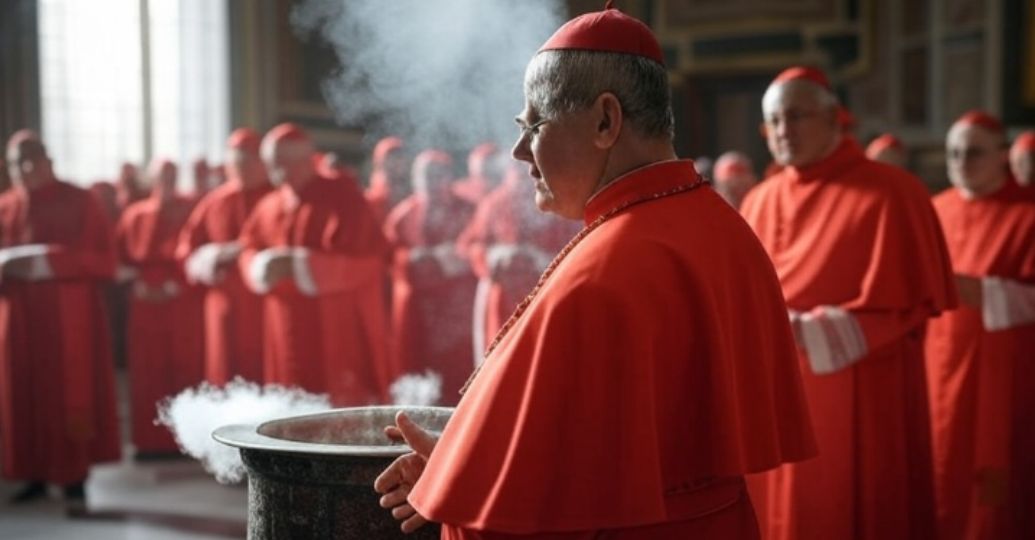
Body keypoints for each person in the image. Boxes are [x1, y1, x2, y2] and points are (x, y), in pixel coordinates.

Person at [374, 6, 816, 538]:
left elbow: (559, 503)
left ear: (606, 121)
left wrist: (462, 487)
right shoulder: (721, 228)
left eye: (534, 124)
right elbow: (585, 453)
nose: (520, 152)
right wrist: (459, 470)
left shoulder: (609, 270)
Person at [739, 66, 957, 540]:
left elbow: (907, 306)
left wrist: (808, 331)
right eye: (773, 122)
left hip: (862, 389)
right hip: (778, 385)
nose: (783, 131)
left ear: (834, 117)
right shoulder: (758, 199)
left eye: (795, 117)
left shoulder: (892, 193)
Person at [924, 111, 1035, 540]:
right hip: (937, 361)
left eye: (973, 153)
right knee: (939, 460)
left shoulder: (1027, 213)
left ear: (1003, 155)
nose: (961, 162)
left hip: (1000, 372)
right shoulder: (935, 209)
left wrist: (980, 291)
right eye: (953, 153)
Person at [0, 130, 121, 505]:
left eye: (32, 160)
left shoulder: (80, 201)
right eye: (16, 163)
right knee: (24, 391)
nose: (25, 169)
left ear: (49, 161)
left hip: (69, 317)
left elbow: (106, 261)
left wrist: (51, 260)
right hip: (18, 317)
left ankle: (73, 473)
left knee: (68, 390)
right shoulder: (4, 206)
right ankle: (33, 471)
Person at [238, 123, 392, 404]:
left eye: (287, 163)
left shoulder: (342, 196)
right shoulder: (269, 204)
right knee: (290, 397)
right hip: (282, 318)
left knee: (336, 403)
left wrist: (299, 265)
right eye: (275, 165)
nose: (281, 172)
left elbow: (368, 261)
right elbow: (248, 249)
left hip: (333, 319)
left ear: (307, 160)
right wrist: (259, 266)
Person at [116, 158, 205, 455]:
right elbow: (118, 259)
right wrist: (138, 284)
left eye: (172, 175)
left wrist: (176, 285)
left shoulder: (190, 209)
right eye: (162, 176)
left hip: (181, 301)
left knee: (183, 369)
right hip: (144, 304)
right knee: (147, 372)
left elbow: (197, 251)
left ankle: (185, 441)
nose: (167, 182)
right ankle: (148, 442)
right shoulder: (134, 214)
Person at [456, 162, 580, 365]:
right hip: (503, 295)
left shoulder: (557, 200)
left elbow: (575, 242)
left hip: (545, 290)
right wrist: (494, 257)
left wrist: (541, 258)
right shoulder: (495, 203)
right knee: (502, 357)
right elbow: (469, 245)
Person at [177, 128, 273, 385]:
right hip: (224, 301)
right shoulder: (215, 201)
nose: (243, 168)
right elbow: (187, 249)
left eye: (250, 161)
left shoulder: (276, 196)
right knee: (225, 371)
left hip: (264, 301)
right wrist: (206, 258)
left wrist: (240, 250)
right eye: (237, 162)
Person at [384, 150, 478, 404]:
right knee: (417, 364)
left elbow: (474, 247)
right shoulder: (402, 215)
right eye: (425, 176)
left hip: (456, 304)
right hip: (416, 304)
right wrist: (412, 261)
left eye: (438, 175)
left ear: (449, 177)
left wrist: (442, 259)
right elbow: (388, 256)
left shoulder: (468, 210)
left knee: (457, 368)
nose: (431, 182)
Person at [366, 137, 411, 225]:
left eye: (400, 157)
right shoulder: (371, 200)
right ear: (379, 162)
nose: (397, 163)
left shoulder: (412, 198)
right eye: (391, 157)